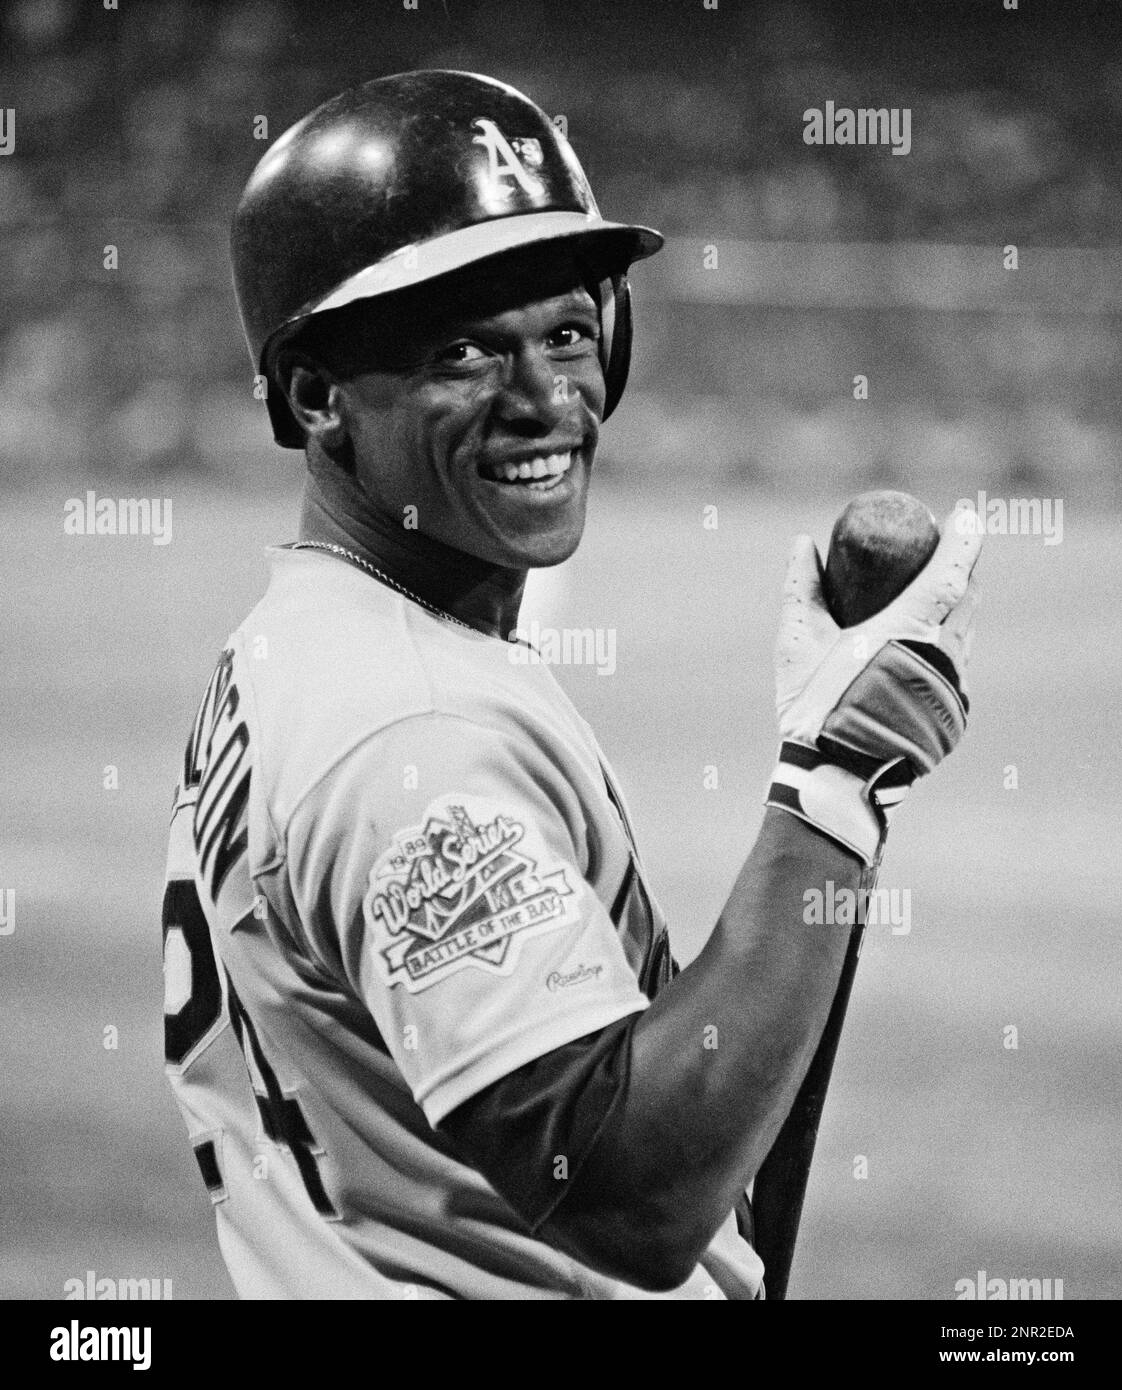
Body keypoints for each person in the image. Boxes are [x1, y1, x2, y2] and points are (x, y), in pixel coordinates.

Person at [161, 70, 982, 1299]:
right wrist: (829, 791)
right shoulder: (408, 730)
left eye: (563, 333)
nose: (548, 401)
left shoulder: (321, 638)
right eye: (462, 351)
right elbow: (631, 1192)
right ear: (316, 394)